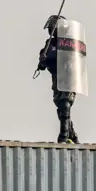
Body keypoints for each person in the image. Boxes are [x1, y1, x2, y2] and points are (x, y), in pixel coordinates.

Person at [37, 15, 79, 144]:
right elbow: (43, 63)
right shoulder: (49, 43)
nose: (51, 31)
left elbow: (73, 58)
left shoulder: (68, 43)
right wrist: (43, 60)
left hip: (68, 79)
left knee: (65, 103)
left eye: (53, 28)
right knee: (60, 107)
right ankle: (73, 135)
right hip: (56, 80)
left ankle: (64, 135)